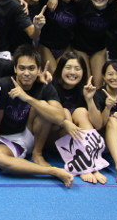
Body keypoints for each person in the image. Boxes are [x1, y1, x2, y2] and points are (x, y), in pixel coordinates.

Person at [0, 44, 73, 188]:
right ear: (15, 69)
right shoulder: (3, 85)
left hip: (33, 133)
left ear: (39, 69)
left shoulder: (44, 85)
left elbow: (59, 116)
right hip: (9, 140)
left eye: (31, 68)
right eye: (22, 68)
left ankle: (37, 154)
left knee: (44, 106)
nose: (26, 73)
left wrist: (27, 98)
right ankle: (52, 171)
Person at [49, 51, 105, 184]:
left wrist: (89, 100)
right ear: (60, 69)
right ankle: (82, 164)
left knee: (80, 111)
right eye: (68, 68)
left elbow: (98, 125)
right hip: (54, 139)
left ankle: (90, 161)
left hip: (80, 142)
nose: (72, 72)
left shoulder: (87, 89)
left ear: (84, 72)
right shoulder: (52, 87)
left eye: (77, 68)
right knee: (65, 112)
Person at [71, 0, 115, 88]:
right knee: (86, 81)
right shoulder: (81, 3)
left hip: (98, 49)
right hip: (79, 47)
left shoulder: (115, 6)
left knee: (98, 83)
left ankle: (96, 104)